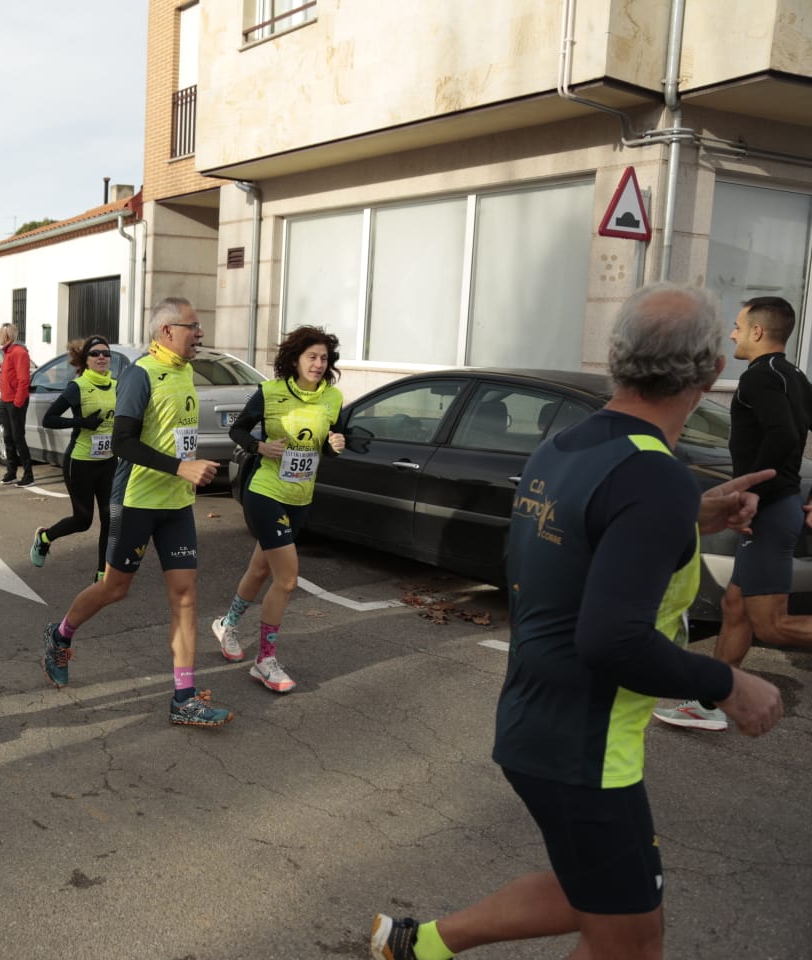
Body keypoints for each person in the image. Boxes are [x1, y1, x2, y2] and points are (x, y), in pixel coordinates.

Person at [369, 282, 784, 960]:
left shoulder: (566, 447)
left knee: (597, 896)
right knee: (631, 939)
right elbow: (611, 638)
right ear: (714, 371)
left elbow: (577, 548)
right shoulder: (653, 479)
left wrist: (685, 516)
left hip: (539, 719)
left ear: (615, 356)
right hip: (584, 746)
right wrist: (729, 683)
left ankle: (418, 946)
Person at [39, 297, 232, 727]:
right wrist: (182, 466)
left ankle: (184, 697)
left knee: (186, 596)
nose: (200, 333)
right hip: (138, 502)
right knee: (114, 588)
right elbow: (123, 442)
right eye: (193, 326)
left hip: (177, 504)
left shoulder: (186, 372)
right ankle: (60, 634)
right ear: (166, 331)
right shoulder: (141, 374)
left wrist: (189, 470)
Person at [654, 295, 812, 732]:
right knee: (735, 605)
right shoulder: (794, 375)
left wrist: (755, 490)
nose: (732, 333)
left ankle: (709, 702)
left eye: (739, 326)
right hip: (778, 505)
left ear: (759, 332)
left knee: (772, 623)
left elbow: (782, 433)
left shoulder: (759, 378)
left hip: (771, 508)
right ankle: (709, 703)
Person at [216, 325, 346, 693]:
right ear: (295, 360)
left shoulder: (332, 398)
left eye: (324, 358)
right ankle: (265, 660)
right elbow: (238, 431)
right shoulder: (269, 393)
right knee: (286, 579)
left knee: (259, 569)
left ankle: (227, 624)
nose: (319, 364)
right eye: (312, 357)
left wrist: (336, 442)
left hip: (301, 496)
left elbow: (330, 442)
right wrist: (259, 448)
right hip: (266, 491)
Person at [29, 334, 118, 580]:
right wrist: (82, 422)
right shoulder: (78, 387)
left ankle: (102, 574)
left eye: (106, 353)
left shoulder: (117, 385)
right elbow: (50, 419)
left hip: (108, 462)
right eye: (95, 353)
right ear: (86, 360)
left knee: (110, 518)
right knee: (83, 520)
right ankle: (45, 537)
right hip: (80, 463)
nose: (101, 357)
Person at [0, 322, 34, 486]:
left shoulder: (18, 352)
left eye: (0, 334)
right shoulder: (8, 352)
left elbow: (23, 379)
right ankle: (11, 472)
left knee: (18, 438)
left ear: (7, 336)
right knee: (7, 437)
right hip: (5, 400)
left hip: (15, 401)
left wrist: (18, 402)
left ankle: (28, 475)